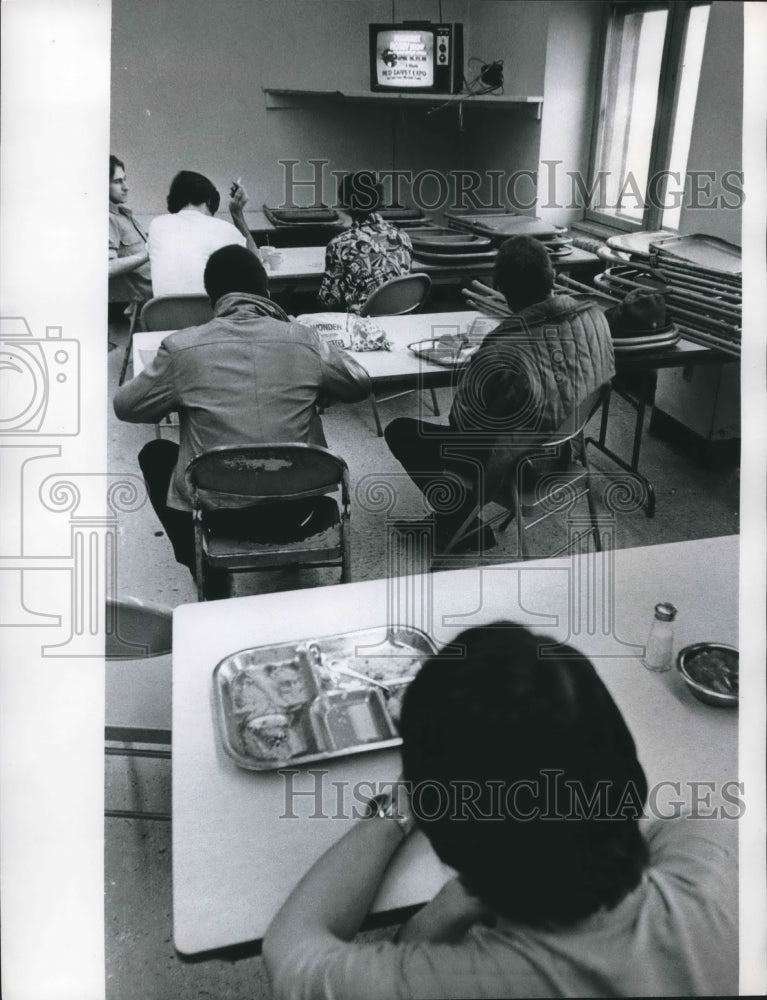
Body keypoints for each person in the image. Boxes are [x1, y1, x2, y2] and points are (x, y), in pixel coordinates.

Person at [262, 622, 737, 999]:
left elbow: (290, 949)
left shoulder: (452, 983)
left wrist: (397, 812)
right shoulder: (719, 857)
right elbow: (673, 818)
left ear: (446, 842)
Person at [113, 244, 370, 593]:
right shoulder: (305, 338)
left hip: (219, 515)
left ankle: (209, 573)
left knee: (155, 453)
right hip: (301, 509)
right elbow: (359, 384)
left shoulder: (181, 348)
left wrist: (182, 396)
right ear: (266, 292)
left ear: (212, 300)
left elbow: (125, 406)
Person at [384, 235, 616, 554]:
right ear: (551, 276)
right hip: (566, 450)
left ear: (501, 289)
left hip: (520, 468)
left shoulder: (501, 350)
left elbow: (463, 424)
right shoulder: (594, 319)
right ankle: (456, 522)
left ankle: (457, 524)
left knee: (402, 431)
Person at [148, 169, 263, 296]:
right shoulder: (225, 229)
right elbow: (258, 270)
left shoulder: (157, 224)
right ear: (209, 201)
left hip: (162, 314)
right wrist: (237, 213)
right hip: (212, 314)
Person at [318, 171, 413, 313]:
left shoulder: (339, 244)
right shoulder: (403, 237)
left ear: (344, 203)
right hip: (400, 318)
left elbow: (330, 300)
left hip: (360, 325)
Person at [108, 155, 153, 303]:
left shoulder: (125, 215)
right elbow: (108, 267)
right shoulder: (108, 218)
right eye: (117, 181)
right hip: (140, 306)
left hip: (155, 295)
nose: (126, 187)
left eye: (124, 179)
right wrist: (149, 253)